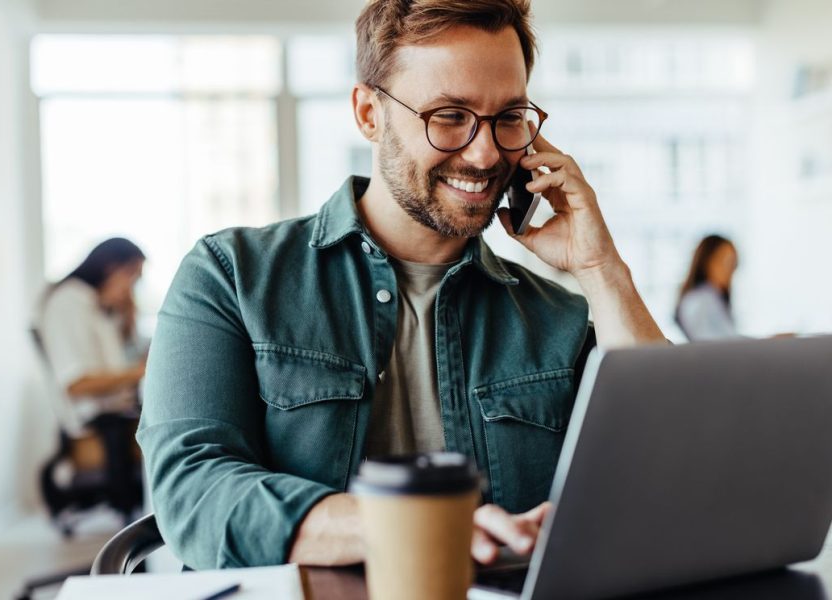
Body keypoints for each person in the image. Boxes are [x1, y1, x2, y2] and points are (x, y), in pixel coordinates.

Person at [138, 0, 666, 571]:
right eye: (449, 115)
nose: (486, 152)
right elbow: (195, 490)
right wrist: (416, 525)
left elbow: (672, 470)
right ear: (369, 113)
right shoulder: (232, 276)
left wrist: (600, 268)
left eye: (509, 116)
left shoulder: (557, 320)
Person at [36, 237, 148, 437]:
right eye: (131, 275)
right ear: (110, 267)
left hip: (115, 414)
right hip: (99, 424)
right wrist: (140, 372)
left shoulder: (99, 306)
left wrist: (128, 322)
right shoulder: (69, 302)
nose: (131, 288)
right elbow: (77, 384)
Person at [675, 235, 740, 341]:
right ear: (706, 261)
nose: (730, 270)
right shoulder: (700, 300)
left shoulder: (714, 297)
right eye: (725, 261)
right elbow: (719, 344)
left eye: (733, 263)